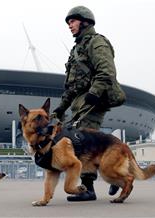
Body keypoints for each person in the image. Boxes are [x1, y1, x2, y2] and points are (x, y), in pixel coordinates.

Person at [51, 6, 123, 201]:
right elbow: (72, 86)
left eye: (72, 21)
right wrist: (61, 107)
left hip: (93, 102)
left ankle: (88, 188)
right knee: (79, 142)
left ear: (85, 21)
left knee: (82, 143)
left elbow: (107, 71)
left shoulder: (97, 42)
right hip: (79, 103)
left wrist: (94, 92)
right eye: (68, 22)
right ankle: (118, 177)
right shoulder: (77, 49)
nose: (69, 25)